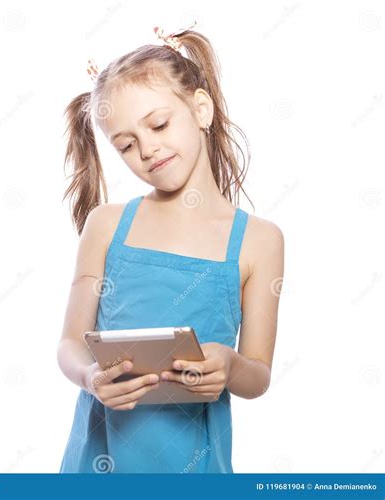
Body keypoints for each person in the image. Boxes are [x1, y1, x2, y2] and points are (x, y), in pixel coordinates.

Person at [57, 21, 284, 473]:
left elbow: (257, 375)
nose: (148, 150)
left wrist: (230, 367)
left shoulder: (259, 240)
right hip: (98, 463)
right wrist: (89, 377)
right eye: (126, 144)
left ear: (201, 109)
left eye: (159, 124)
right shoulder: (107, 225)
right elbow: (69, 342)